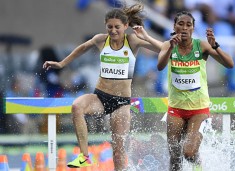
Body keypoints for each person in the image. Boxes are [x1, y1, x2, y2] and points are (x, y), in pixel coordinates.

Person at [43, 3, 162, 170]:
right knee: (77, 106)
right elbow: (83, 47)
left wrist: (146, 36)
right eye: (109, 27)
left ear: (126, 26)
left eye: (117, 27)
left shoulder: (132, 41)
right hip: (100, 97)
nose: (113, 31)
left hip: (121, 103)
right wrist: (62, 63)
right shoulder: (101, 39)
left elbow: (163, 48)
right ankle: (84, 156)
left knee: (118, 150)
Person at [157, 11, 234, 171]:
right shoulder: (167, 45)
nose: (184, 28)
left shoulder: (201, 45)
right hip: (176, 110)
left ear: (193, 28)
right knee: (175, 158)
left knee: (190, 153)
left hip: (199, 110)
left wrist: (216, 46)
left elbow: (229, 64)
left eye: (188, 25)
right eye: (181, 24)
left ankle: (199, 165)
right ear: (174, 26)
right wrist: (171, 47)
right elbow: (160, 66)